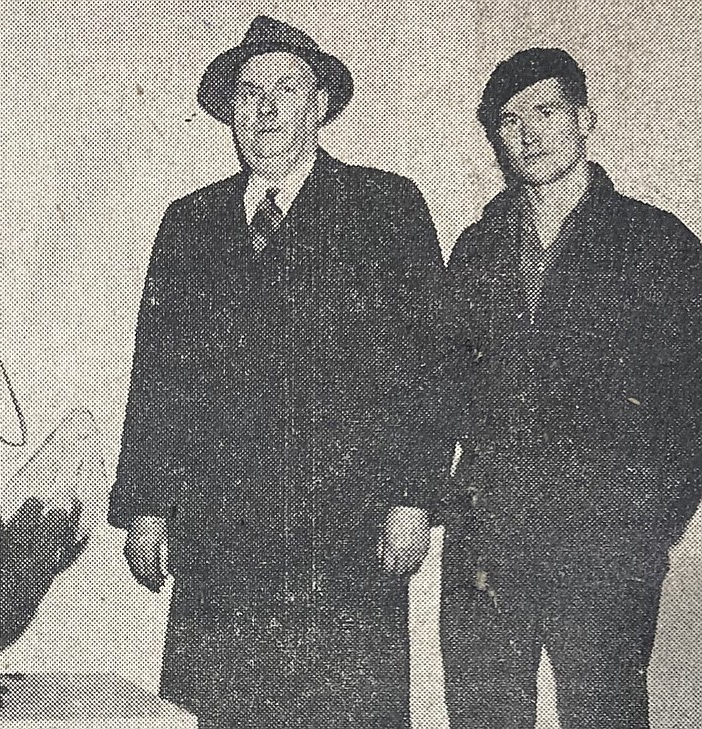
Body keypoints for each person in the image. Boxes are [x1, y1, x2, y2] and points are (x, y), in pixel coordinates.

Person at [108, 16, 454, 728]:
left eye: (286, 89)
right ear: (229, 110)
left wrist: (413, 498)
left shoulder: (385, 207)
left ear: (319, 105)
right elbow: (159, 378)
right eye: (248, 92)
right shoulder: (189, 222)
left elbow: (432, 368)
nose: (265, 108)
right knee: (222, 710)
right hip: (221, 541)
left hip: (347, 538)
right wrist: (146, 505)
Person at [441, 48, 702, 729]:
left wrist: (645, 524)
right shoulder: (477, 248)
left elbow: (692, 405)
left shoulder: (657, 245)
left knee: (605, 717)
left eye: (546, 112)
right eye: (508, 120)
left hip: (604, 548)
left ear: (584, 119)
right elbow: (447, 387)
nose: (528, 133)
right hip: (488, 548)